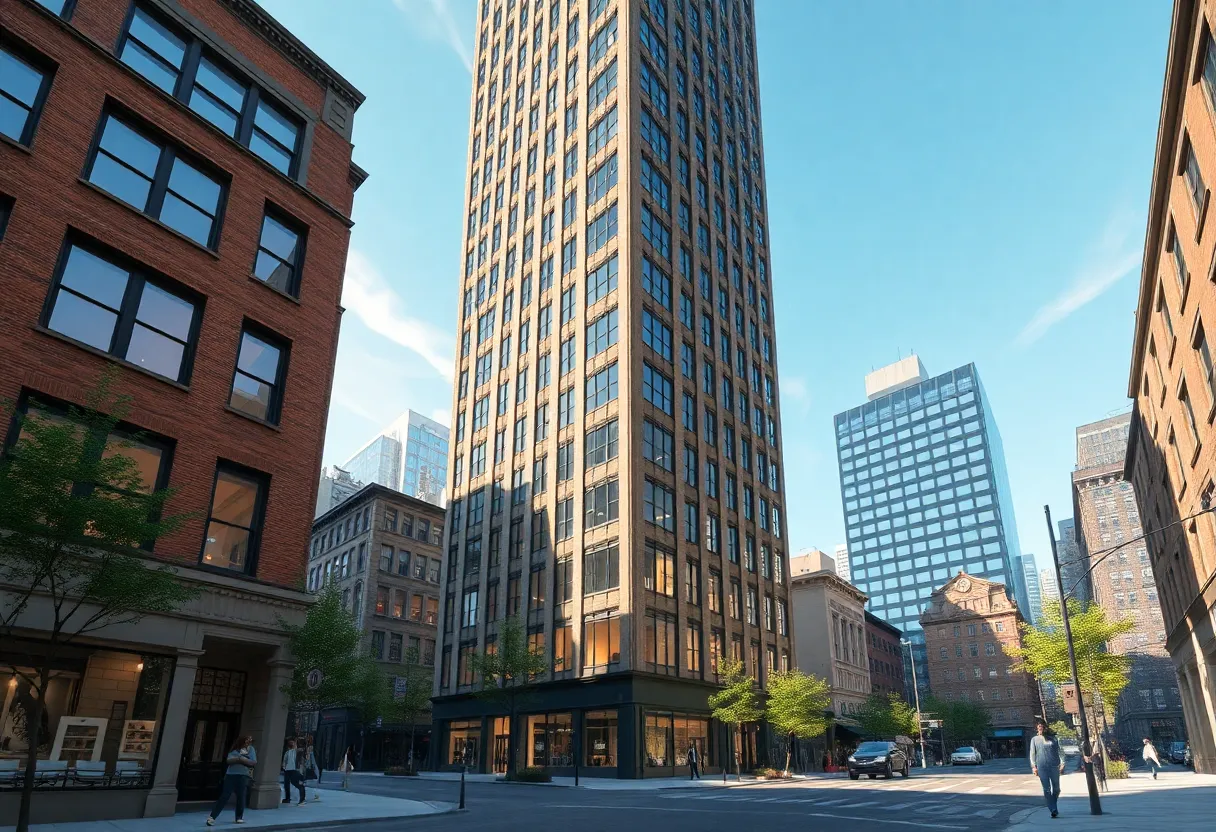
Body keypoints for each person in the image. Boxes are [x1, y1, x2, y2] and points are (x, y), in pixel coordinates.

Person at [208, 735, 256, 826]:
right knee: (224, 796)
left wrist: (240, 759)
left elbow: (253, 762)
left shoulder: (251, 750)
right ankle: (212, 817)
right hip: (231, 775)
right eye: (247, 740)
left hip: (243, 776)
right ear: (242, 741)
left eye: (250, 740)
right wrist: (241, 759)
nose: (249, 742)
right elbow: (229, 761)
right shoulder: (234, 750)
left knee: (241, 797)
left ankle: (239, 817)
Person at [1029, 722, 1065, 819]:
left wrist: (1063, 763)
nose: (1040, 728)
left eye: (1042, 727)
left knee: (1056, 789)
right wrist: (1034, 767)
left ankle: (1053, 805)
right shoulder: (1034, 740)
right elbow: (1032, 754)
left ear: (1045, 728)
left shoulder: (1053, 739)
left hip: (1054, 766)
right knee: (1047, 789)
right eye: (1039, 727)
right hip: (1042, 767)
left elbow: (1060, 751)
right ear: (1037, 728)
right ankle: (1053, 809)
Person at [282, 738, 302, 805]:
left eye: (292, 742)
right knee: (286, 785)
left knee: (295, 783)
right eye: (290, 743)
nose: (291, 744)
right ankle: (287, 798)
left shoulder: (296, 751)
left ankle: (301, 795)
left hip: (294, 770)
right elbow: (285, 760)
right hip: (287, 770)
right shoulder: (287, 752)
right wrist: (284, 767)